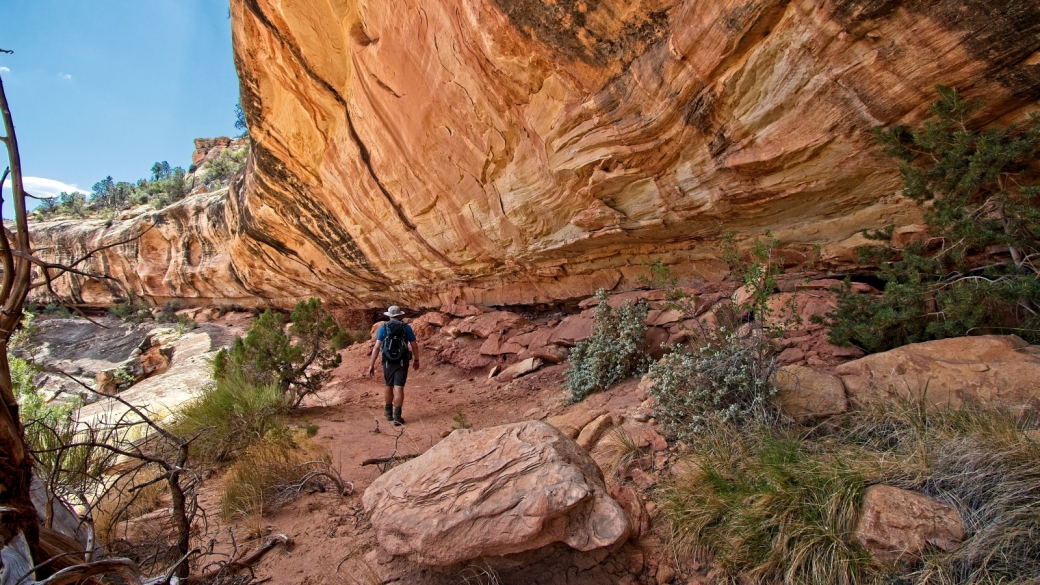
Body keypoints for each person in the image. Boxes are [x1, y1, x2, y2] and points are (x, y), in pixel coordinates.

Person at [367, 306, 421, 426]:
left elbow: (376, 347)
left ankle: (388, 413)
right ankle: (397, 416)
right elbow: (414, 345)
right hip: (402, 361)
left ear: (389, 315)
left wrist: (371, 365)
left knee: (388, 385)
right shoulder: (406, 328)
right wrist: (416, 360)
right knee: (399, 387)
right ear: (400, 315)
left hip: (388, 361)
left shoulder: (383, 328)